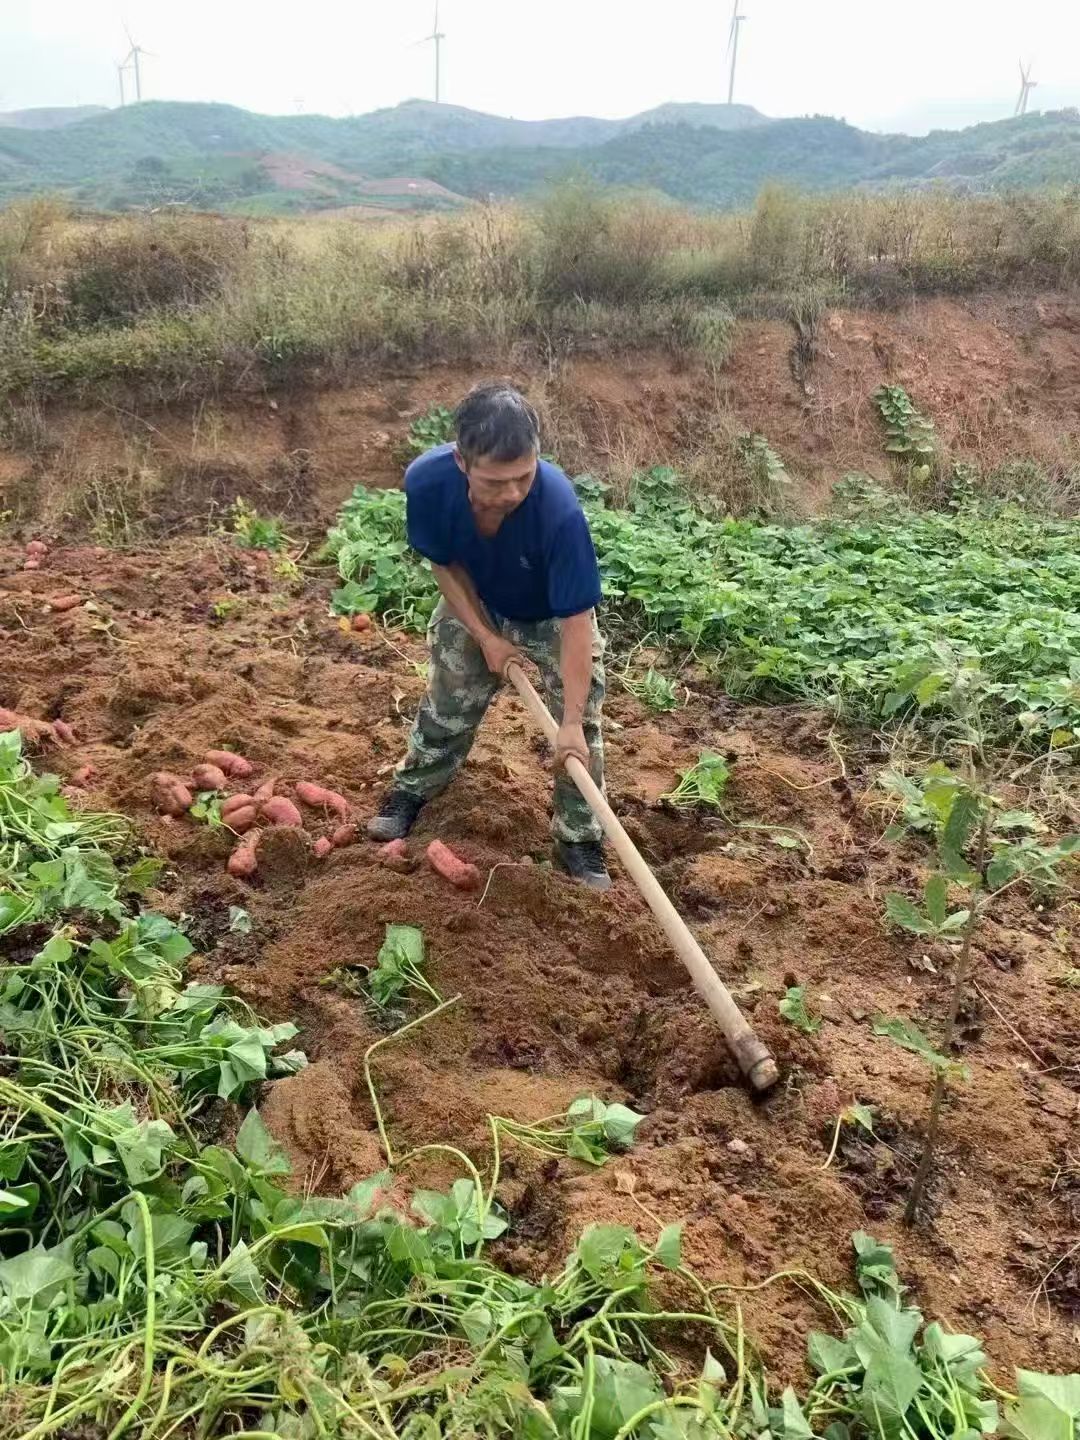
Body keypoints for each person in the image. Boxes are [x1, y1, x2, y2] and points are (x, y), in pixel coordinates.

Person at [366, 383, 611, 890]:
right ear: (461, 461)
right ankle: (413, 789)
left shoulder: (558, 513)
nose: (512, 493)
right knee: (446, 701)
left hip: (549, 617)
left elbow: (576, 625)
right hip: (474, 598)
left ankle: (579, 839)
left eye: (524, 476)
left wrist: (566, 721)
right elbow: (444, 562)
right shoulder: (428, 483)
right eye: (496, 481)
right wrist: (484, 634)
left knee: (579, 733)